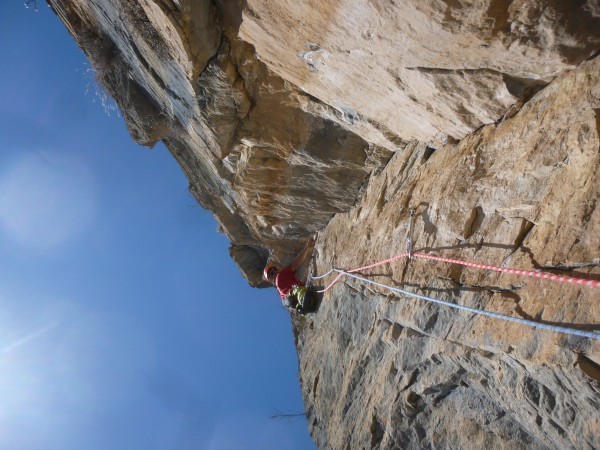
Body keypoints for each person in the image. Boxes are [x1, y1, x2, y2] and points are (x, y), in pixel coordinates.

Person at [264, 238, 318, 314]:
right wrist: (308, 247)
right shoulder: (280, 276)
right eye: (272, 273)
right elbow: (296, 263)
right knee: (296, 290)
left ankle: (303, 305)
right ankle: (304, 299)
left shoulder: (281, 294)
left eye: (275, 270)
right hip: (301, 294)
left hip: (298, 304)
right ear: (271, 279)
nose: (275, 272)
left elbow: (288, 304)